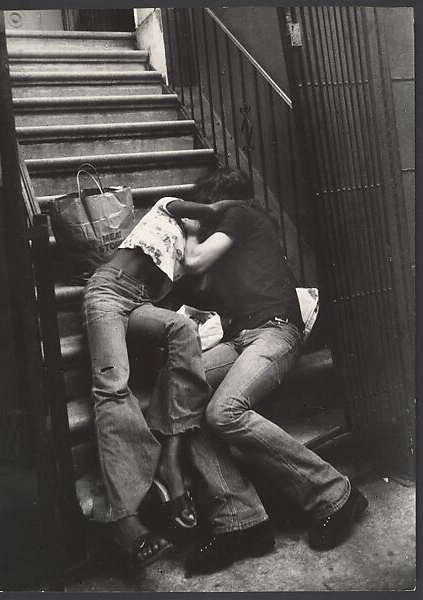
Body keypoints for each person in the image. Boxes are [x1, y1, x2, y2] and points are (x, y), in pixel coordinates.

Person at [179, 167, 369, 574]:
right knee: (179, 395)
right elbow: (200, 282)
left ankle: (337, 493)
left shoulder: (243, 214)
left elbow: (193, 263)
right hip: (238, 339)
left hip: (275, 332)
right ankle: (241, 521)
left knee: (223, 411)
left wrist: (192, 229)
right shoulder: (232, 239)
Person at [82, 195, 273, 568]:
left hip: (140, 302)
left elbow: (199, 282)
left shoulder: (191, 247)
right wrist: (234, 205)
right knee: (113, 385)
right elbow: (208, 212)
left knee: (183, 329)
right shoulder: (170, 206)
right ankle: (123, 519)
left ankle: (169, 463)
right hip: (107, 290)